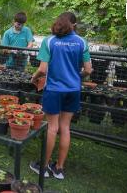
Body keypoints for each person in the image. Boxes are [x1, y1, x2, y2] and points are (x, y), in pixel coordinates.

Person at [29, 12, 92, 180]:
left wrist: (34, 78)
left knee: (52, 127)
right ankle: (59, 168)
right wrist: (77, 77)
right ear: (74, 25)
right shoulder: (81, 41)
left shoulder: (49, 41)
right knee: (65, 127)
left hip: (54, 90)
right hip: (73, 90)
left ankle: (43, 167)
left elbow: (42, 69)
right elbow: (88, 70)